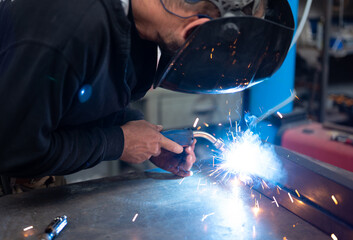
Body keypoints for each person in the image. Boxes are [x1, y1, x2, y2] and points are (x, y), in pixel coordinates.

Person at [0, 0, 288, 182]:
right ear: (193, 30)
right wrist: (119, 142)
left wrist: (134, 128)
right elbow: (15, 151)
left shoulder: (132, 24)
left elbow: (69, 96)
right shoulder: (70, 24)